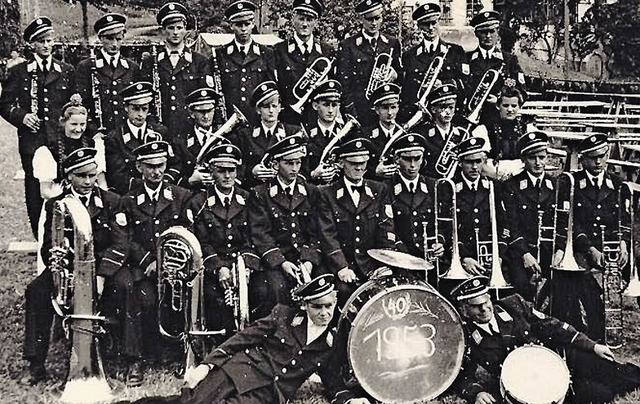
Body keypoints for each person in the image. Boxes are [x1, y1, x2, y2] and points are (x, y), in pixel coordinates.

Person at [130, 274, 361, 404]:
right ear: (305, 305)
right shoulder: (283, 315)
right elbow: (242, 339)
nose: (325, 313)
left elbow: (333, 380)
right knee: (192, 403)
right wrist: (206, 365)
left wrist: (348, 400)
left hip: (268, 394)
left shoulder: (333, 339)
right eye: (317, 307)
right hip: (238, 371)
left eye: (329, 306)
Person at [22, 148, 127, 385]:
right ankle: (36, 364)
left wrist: (101, 275)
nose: (88, 181)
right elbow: (49, 245)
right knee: (37, 291)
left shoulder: (111, 202)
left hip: (102, 271)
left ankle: (124, 357)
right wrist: (62, 271)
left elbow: (120, 244)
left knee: (125, 286)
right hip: (69, 269)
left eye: (91, 175)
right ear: (69, 176)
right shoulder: (56, 204)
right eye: (81, 176)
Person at [452, 275, 640, 404]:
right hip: (534, 382)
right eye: (476, 306)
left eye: (485, 302)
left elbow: (553, 325)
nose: (484, 309)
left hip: (562, 357)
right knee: (601, 395)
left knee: (617, 373)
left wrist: (592, 346)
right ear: (464, 310)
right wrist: (477, 392)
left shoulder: (513, 305)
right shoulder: (466, 337)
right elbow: (460, 374)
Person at [120, 139, 192, 385]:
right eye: (150, 166)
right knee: (142, 298)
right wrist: (148, 260)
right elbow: (126, 239)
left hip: (176, 269)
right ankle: (136, 359)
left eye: (161, 165)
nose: (156, 171)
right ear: (139, 167)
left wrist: (168, 263)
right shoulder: (128, 200)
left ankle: (182, 351)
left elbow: (187, 232)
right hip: (145, 269)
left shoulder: (181, 196)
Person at [0, 16, 75, 238]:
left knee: (64, 186)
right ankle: (41, 237)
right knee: (35, 192)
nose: (46, 45)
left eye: (49, 40)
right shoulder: (19, 72)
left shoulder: (66, 70)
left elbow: (73, 103)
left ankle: (66, 235)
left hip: (60, 140)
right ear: (32, 44)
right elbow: (4, 104)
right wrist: (21, 117)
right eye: (41, 41)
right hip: (32, 142)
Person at [552, 134, 629, 342]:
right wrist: (591, 249)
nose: (598, 162)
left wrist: (622, 243)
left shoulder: (618, 184)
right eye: (593, 157)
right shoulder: (571, 182)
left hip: (611, 246)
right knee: (584, 281)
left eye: (602, 156)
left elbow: (623, 220)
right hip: (581, 247)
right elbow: (569, 223)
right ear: (583, 159)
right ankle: (594, 332)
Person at [317, 138, 401, 304]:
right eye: (353, 163)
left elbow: (386, 230)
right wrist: (341, 267)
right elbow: (327, 235)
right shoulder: (327, 194)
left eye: (363, 162)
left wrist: (384, 265)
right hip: (343, 266)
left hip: (372, 264)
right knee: (343, 293)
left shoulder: (379, 189)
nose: (359, 167)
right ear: (341, 163)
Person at [188, 143, 260, 334]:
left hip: (242, 265)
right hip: (213, 265)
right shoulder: (199, 202)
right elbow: (201, 241)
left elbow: (253, 237)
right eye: (221, 171)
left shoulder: (248, 198)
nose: (227, 176)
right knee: (214, 298)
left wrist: (245, 268)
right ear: (211, 172)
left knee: (261, 292)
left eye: (231, 170)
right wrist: (219, 267)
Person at [248, 135, 322, 318]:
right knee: (277, 290)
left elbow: (316, 232)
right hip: (278, 260)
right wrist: (281, 262)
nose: (295, 168)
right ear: (275, 165)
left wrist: (309, 261)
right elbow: (261, 234)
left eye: (298, 162)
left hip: (306, 259)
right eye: (289, 163)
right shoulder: (260, 194)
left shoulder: (311, 192)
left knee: (323, 288)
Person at [137, 2, 213, 134]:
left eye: (179, 28)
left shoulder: (199, 61)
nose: (176, 33)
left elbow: (206, 99)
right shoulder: (151, 62)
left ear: (185, 30)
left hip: (190, 129)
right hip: (159, 129)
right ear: (163, 31)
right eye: (171, 28)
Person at [501, 131, 558, 305]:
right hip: (521, 251)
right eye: (532, 158)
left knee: (563, 285)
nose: (538, 163)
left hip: (550, 251)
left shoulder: (556, 185)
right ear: (523, 159)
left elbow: (563, 223)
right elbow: (511, 224)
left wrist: (560, 251)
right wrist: (525, 253)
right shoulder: (511, 186)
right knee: (522, 286)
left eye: (542, 157)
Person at [384, 133, 444, 285]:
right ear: (397, 160)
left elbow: (443, 223)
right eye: (407, 159)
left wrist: (439, 243)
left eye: (417, 158)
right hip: (402, 259)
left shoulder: (434, 186)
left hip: (432, 258)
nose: (412, 165)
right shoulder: (386, 188)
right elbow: (385, 226)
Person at [448, 137, 508, 283]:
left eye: (478, 161)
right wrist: (464, 257)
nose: (474, 167)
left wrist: (498, 256)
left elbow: (504, 225)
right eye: (469, 162)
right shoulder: (449, 188)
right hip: (463, 257)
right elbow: (446, 228)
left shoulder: (494, 187)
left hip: (490, 257)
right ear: (460, 163)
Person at [336, 0, 402, 127]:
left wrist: (395, 75)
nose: (374, 23)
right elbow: (344, 84)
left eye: (377, 18)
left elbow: (401, 76)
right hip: (361, 110)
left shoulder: (392, 43)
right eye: (369, 19)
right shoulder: (348, 45)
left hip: (386, 111)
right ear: (362, 19)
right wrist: (352, 113)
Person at [399, 2, 467, 122]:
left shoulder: (455, 52)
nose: (430, 28)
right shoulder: (409, 55)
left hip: (447, 115)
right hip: (419, 117)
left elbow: (465, 84)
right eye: (426, 24)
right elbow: (407, 91)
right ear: (419, 26)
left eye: (433, 23)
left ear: (438, 22)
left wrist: (443, 84)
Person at [104, 81, 175, 195]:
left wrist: (164, 182)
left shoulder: (160, 132)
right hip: (131, 194)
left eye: (144, 109)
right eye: (136, 109)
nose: (141, 114)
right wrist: (149, 186)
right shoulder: (115, 138)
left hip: (161, 191)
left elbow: (175, 164)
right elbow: (117, 177)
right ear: (126, 107)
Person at [229, 80, 300, 189]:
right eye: (266, 107)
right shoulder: (245, 135)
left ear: (280, 107)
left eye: (274, 106)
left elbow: (303, 168)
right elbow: (238, 167)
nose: (271, 110)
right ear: (258, 110)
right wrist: (252, 172)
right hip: (255, 189)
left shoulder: (292, 132)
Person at [75, 13, 138, 135]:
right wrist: (93, 131)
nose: (114, 44)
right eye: (109, 38)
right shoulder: (87, 67)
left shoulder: (132, 67)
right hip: (98, 134)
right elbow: (82, 105)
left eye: (118, 39)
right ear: (101, 38)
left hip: (126, 133)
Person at [217, 0, 276, 122]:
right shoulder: (220, 55)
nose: (243, 29)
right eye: (239, 25)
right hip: (229, 120)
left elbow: (272, 91)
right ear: (231, 25)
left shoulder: (266, 54)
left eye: (247, 24)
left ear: (253, 24)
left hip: (258, 121)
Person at [273, 0, 330, 125]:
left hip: (318, 119)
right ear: (294, 19)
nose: (305, 24)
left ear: (316, 22)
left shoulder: (326, 51)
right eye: (301, 19)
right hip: (288, 119)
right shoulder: (279, 50)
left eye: (309, 19)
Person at [417, 82, 489, 179]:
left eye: (451, 107)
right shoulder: (423, 134)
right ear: (433, 109)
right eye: (443, 107)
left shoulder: (463, 133)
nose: (448, 112)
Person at [464, 10, 525, 122]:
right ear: (476, 34)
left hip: (500, 119)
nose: (488, 36)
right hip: (472, 117)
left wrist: (499, 99)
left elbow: (522, 90)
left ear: (498, 33)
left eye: (492, 31)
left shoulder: (509, 59)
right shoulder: (466, 59)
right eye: (483, 32)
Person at [172, 87, 231, 190]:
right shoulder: (180, 141)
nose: (206, 116)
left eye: (209, 111)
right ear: (192, 113)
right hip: (192, 197)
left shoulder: (225, 138)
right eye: (201, 112)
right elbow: (175, 177)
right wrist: (190, 180)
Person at [480, 85, 535, 180]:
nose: (510, 110)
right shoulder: (486, 129)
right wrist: (496, 175)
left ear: (519, 107)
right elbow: (480, 163)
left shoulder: (527, 129)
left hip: (520, 178)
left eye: (514, 106)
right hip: (494, 177)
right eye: (505, 106)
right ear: (498, 106)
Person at [305, 79, 345, 184]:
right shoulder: (306, 134)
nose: (331, 110)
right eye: (326, 105)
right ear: (315, 106)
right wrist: (314, 175)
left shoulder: (345, 134)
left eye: (334, 105)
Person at [364, 83, 403, 180]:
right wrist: (375, 172)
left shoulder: (404, 133)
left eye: (393, 107)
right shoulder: (367, 135)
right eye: (385, 108)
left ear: (398, 108)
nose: (390, 113)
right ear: (377, 110)